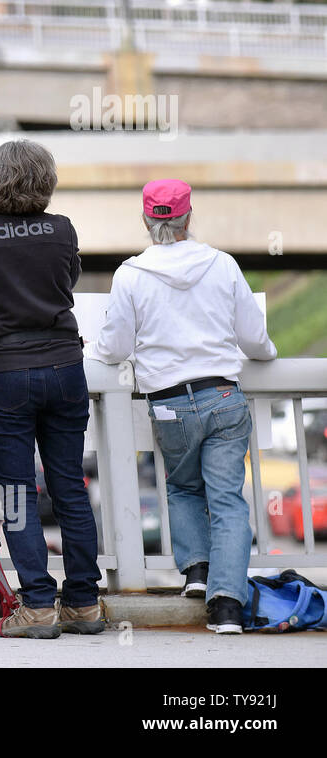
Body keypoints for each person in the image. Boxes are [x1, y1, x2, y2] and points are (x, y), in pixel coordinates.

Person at [90, 179, 276, 634]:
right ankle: (228, 607)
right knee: (228, 501)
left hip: (169, 402)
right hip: (224, 396)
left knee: (182, 487)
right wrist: (269, 354)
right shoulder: (223, 265)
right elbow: (253, 339)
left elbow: (113, 348)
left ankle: (195, 571)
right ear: (189, 218)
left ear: (146, 220)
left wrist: (94, 349)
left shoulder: (131, 275)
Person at [0, 139, 103, 639]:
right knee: (70, 488)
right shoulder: (62, 230)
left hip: (6, 373)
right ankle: (84, 602)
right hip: (65, 367)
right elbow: (68, 281)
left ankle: (37, 606)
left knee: (17, 495)